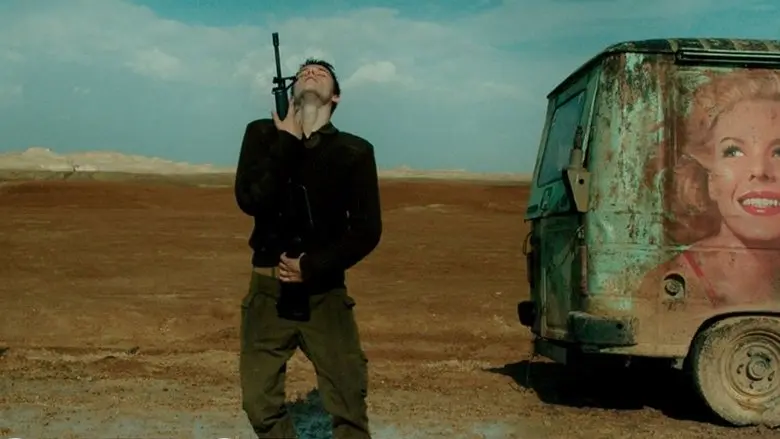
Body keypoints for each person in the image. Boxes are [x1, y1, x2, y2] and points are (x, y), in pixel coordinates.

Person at [233, 58, 383, 439]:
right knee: (259, 404)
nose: (311, 73)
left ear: (336, 96)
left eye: (322, 73)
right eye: (303, 73)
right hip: (268, 295)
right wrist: (285, 141)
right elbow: (251, 199)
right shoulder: (262, 135)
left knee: (349, 403)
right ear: (290, 91)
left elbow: (366, 230)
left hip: (325, 294)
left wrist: (313, 265)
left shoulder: (354, 151)